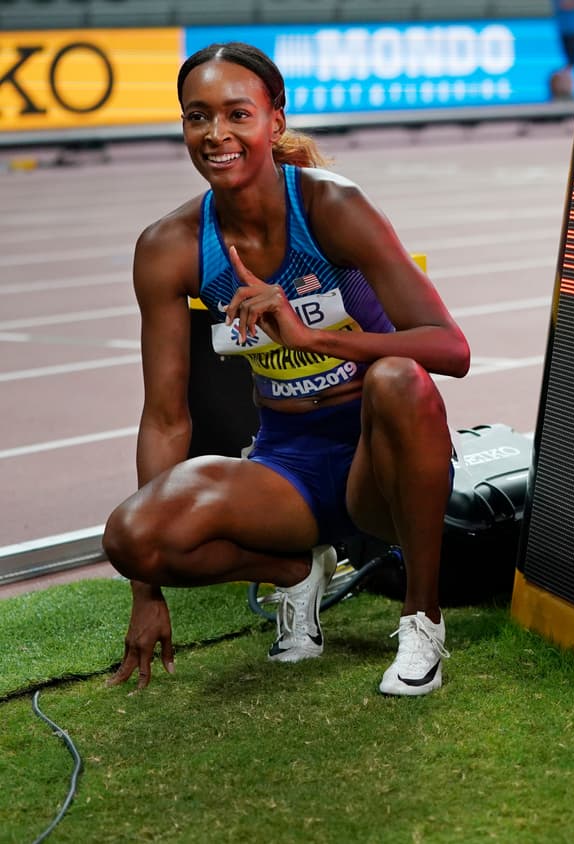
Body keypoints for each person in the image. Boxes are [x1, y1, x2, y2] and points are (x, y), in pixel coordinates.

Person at [101, 41, 470, 697]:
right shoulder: (170, 246)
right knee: (133, 535)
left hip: (377, 462)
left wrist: (313, 340)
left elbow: (451, 348)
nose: (216, 134)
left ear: (274, 120)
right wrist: (146, 593)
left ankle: (422, 621)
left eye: (236, 114)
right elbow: (165, 416)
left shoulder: (331, 206)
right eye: (197, 116)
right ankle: (294, 572)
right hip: (286, 466)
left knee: (396, 376)